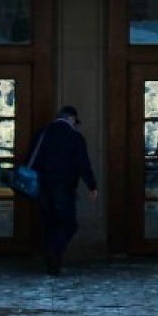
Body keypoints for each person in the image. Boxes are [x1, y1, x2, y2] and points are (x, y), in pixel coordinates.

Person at [28, 105, 98, 275]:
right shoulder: (75, 137)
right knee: (68, 224)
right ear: (71, 119)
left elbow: (30, 159)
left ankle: (52, 265)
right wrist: (92, 185)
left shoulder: (41, 134)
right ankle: (54, 251)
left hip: (42, 186)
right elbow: (84, 164)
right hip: (64, 188)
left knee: (49, 224)